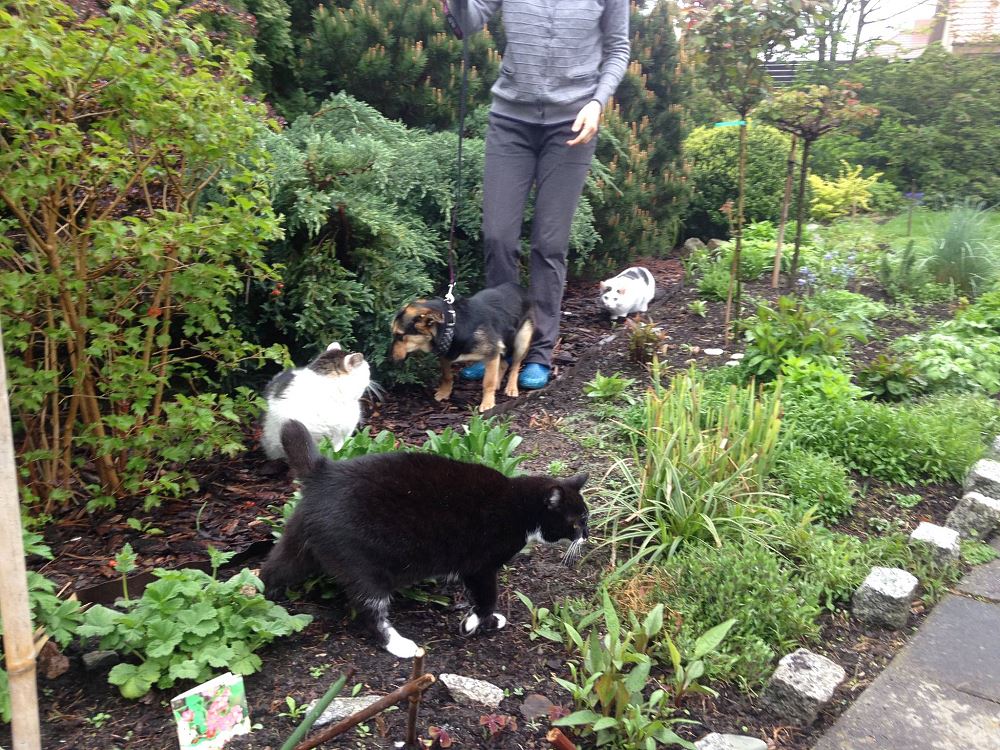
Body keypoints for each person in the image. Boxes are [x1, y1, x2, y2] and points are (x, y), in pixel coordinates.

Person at [450, 0, 630, 390]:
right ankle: (495, 346)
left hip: (573, 125)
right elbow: (469, 21)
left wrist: (597, 102)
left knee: (549, 244)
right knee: (498, 237)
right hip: (510, 122)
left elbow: (618, 48)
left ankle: (539, 351)